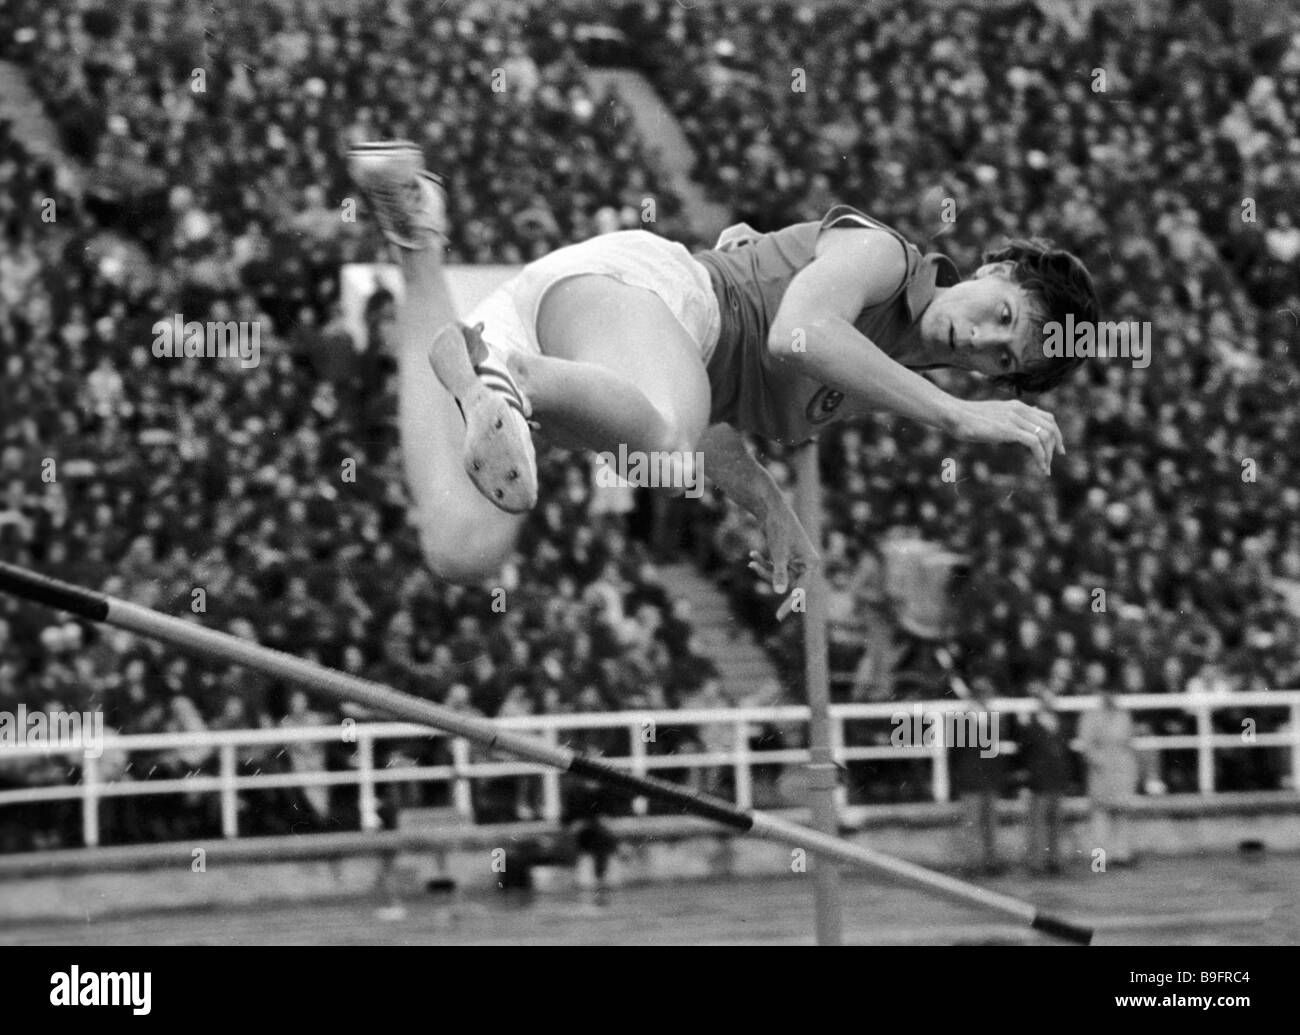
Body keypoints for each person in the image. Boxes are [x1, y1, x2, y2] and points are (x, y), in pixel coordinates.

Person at [347, 142, 1096, 596]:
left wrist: (769, 506)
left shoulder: (884, 370)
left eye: (1000, 360)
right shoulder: (888, 259)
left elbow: (712, 415)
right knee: (665, 438)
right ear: (992, 265)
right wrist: (956, 415)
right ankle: (507, 373)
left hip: (603, 345)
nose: (981, 340)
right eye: (1001, 314)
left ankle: (416, 238)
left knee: (463, 547)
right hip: (651, 296)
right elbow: (797, 336)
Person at [1078, 680, 1138, 867]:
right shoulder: (1091, 716)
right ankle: (1099, 860)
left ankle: (1121, 855)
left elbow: (1129, 742)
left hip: (1122, 771)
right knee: (1100, 818)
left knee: (1122, 815)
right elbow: (1086, 745)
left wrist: (1129, 769)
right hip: (1101, 772)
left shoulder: (1123, 715)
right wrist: (1099, 762)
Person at [1017, 684, 1072, 875]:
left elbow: (1067, 752)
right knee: (1038, 824)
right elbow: (1023, 752)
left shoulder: (1062, 723)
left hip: (1057, 778)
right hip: (1039, 780)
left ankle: (1055, 860)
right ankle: (1037, 863)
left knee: (1056, 823)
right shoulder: (1030, 725)